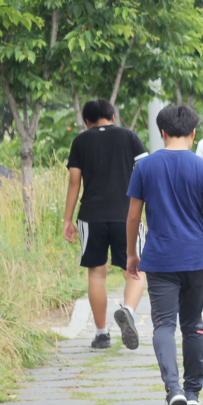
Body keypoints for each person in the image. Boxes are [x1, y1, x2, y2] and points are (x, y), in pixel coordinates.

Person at [125, 105, 203, 405]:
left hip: (159, 259)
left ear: (162, 132)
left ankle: (174, 389)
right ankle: (192, 391)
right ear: (194, 133)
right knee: (193, 324)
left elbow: (133, 217)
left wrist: (131, 254)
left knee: (164, 325)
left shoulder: (144, 167)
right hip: (195, 257)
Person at [63, 99, 148, 351]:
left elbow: (74, 182)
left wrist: (67, 219)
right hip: (127, 215)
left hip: (91, 217)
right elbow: (146, 173)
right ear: (112, 117)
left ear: (87, 121)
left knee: (96, 274)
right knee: (135, 270)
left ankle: (101, 335)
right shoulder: (129, 136)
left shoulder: (80, 141)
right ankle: (128, 310)